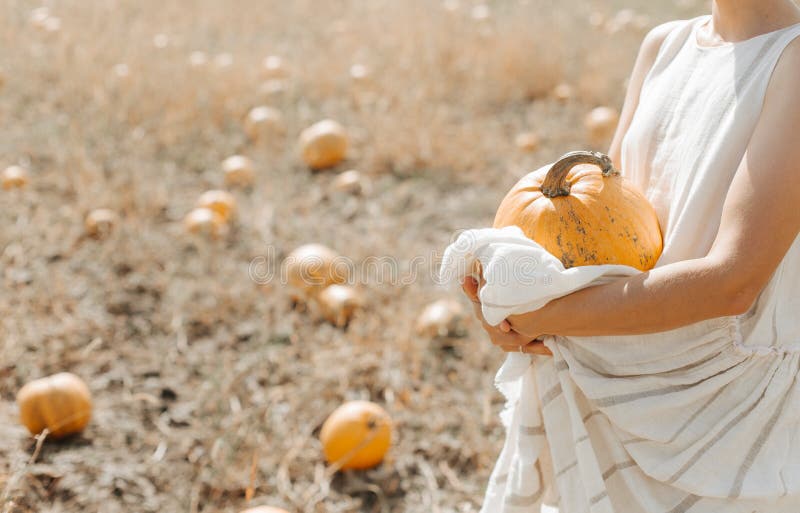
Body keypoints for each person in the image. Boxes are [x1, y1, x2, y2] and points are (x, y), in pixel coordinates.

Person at [463, 1, 800, 511]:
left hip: (720, 413)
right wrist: (514, 307)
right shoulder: (663, 45)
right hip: (622, 368)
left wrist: (543, 316)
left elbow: (734, 282)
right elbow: (611, 220)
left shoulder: (791, 61)